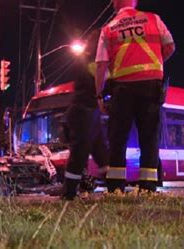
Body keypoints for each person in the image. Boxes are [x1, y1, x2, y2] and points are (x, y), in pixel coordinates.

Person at [95, 0, 175, 192]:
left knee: (118, 138)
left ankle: (115, 189)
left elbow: (100, 65)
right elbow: (170, 47)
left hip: (122, 89)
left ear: (115, 3)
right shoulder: (153, 19)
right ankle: (147, 188)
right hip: (151, 86)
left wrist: (99, 95)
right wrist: (154, 65)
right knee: (149, 138)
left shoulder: (108, 29)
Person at [62, 30, 110, 200]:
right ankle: (68, 194)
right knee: (80, 153)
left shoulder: (86, 59)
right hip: (84, 112)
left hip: (89, 112)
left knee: (101, 152)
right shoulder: (91, 61)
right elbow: (102, 76)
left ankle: (114, 190)